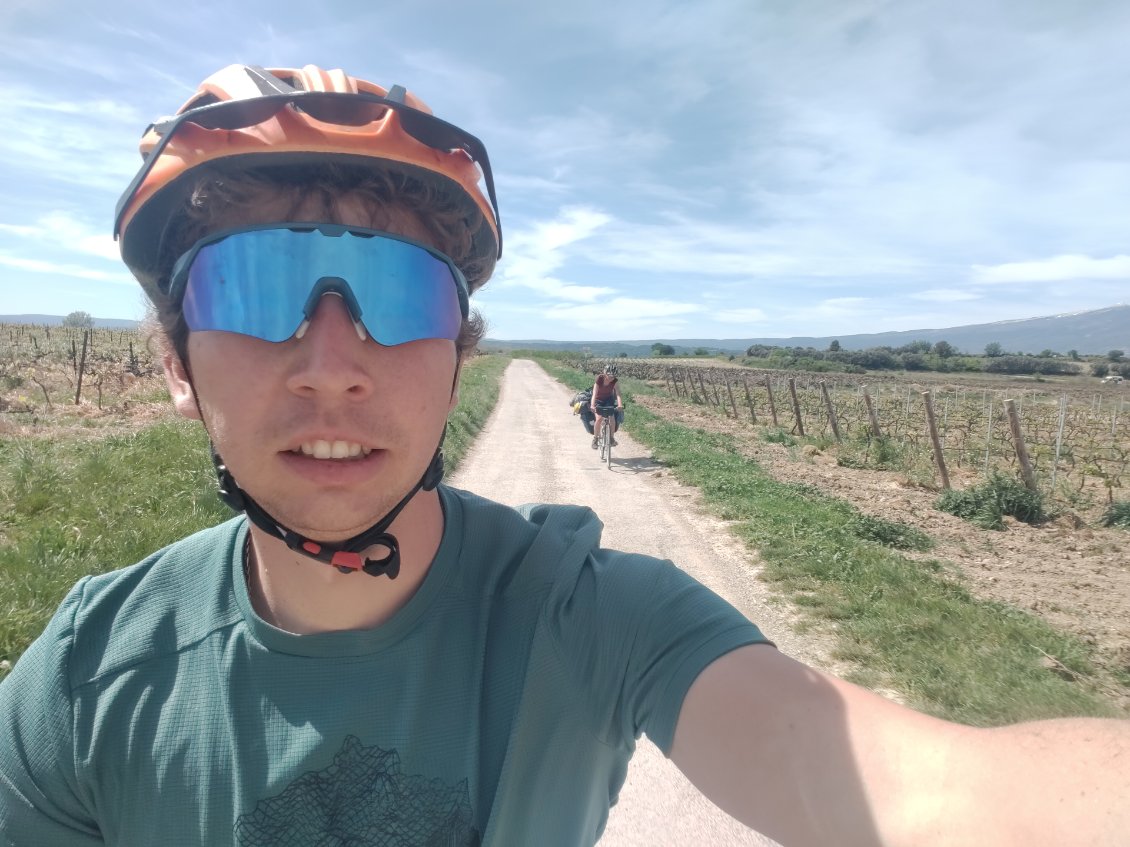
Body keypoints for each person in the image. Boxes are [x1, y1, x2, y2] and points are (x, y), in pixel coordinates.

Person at [0, 63, 1127, 847]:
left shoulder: (596, 617)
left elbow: (925, 796)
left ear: (460, 354)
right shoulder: (83, 682)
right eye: (253, 289)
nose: (332, 365)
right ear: (176, 358)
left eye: (399, 294)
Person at [590, 364, 623, 449]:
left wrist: (620, 404)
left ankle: (611, 438)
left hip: (608, 400)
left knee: (612, 418)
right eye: (610, 376)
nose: (611, 378)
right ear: (605, 373)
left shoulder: (614, 381)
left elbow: (618, 393)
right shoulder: (599, 379)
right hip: (598, 400)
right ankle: (595, 439)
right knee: (599, 419)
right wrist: (592, 405)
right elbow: (594, 393)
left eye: (613, 376)